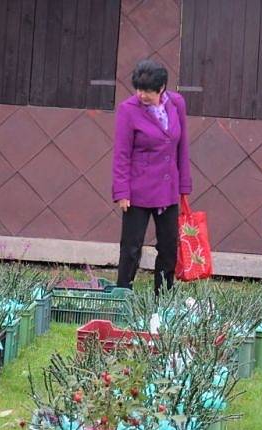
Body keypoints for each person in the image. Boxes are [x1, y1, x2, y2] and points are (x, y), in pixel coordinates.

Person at [112, 59, 192, 294]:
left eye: (147, 90)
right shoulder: (128, 109)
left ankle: (163, 297)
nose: (141, 95)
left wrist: (184, 187)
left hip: (168, 190)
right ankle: (122, 295)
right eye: (138, 89)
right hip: (137, 191)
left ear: (162, 88)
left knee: (168, 247)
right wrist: (121, 192)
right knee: (131, 247)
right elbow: (121, 153)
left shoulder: (177, 104)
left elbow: (182, 146)